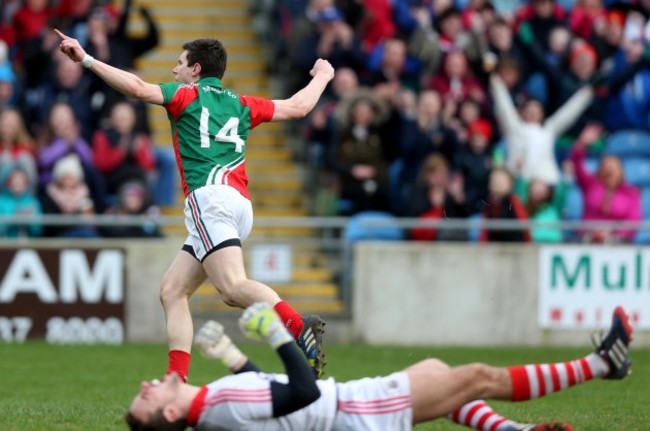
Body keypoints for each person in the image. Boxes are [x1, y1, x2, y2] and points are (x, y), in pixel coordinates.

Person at [55, 29, 335, 380]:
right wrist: (324, 75)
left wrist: (87, 59)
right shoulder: (242, 103)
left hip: (209, 200)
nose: (174, 71)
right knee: (172, 290)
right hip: (238, 205)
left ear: (196, 70)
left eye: (179, 63)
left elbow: (138, 89)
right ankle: (176, 380)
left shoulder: (186, 96)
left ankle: (298, 325)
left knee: (232, 288)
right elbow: (299, 107)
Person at [126, 302, 634, 431]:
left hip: (356, 412)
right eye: (148, 395)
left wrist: (233, 357)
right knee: (477, 378)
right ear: (171, 415)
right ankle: (602, 363)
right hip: (363, 410)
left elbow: (270, 398)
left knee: (439, 369)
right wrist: (277, 331)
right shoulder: (218, 405)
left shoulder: (214, 410)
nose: (149, 383)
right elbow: (301, 389)